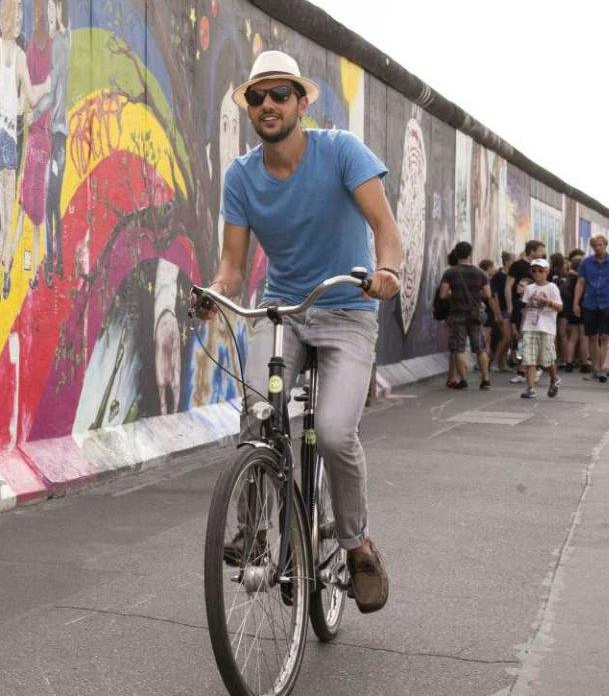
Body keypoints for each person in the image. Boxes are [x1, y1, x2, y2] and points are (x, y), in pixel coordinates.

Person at [197, 51, 405, 613]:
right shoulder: (242, 176)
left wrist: (387, 271)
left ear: (301, 102)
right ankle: (258, 530)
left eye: (279, 95)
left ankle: (356, 542)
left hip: (347, 308)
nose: (267, 105)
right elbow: (234, 267)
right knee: (257, 412)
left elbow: (385, 227)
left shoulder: (339, 151)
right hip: (282, 311)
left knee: (335, 433)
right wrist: (215, 296)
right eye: (257, 97)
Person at [438, 241, 493, 389]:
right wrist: (475, 296)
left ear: (456, 254)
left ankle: (463, 380)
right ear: (470, 254)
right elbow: (487, 294)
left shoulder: (450, 273)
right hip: (475, 314)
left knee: (459, 348)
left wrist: (454, 294)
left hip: (457, 314)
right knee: (479, 348)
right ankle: (485, 379)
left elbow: (443, 294)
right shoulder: (480, 272)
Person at [574, 235, 609, 380]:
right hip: (590, 303)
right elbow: (580, 283)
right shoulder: (585, 263)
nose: (597, 248)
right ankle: (595, 367)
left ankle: (602, 368)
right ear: (592, 246)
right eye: (595, 245)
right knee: (592, 337)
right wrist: (576, 303)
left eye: (600, 245)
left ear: (605, 245)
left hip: (607, 303)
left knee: (605, 336)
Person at [516, 258, 562, 399]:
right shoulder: (530, 288)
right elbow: (525, 308)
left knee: (547, 358)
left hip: (546, 327)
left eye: (540, 270)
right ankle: (530, 388)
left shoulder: (552, 287)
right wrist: (522, 327)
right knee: (529, 358)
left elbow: (560, 307)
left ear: (547, 271)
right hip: (530, 326)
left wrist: (546, 301)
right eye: (534, 270)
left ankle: (554, 379)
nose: (537, 273)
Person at [504, 241, 546, 381]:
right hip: (520, 307)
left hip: (535, 308)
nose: (542, 254)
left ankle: (533, 368)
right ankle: (524, 370)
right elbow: (508, 286)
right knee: (521, 339)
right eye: (540, 251)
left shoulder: (540, 266)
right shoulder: (517, 266)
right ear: (532, 251)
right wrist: (510, 306)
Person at [561, 249, 586, 370]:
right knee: (583, 337)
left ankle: (569, 363)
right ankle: (584, 363)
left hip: (570, 311)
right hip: (582, 308)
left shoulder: (567, 279)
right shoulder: (580, 280)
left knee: (572, 337)